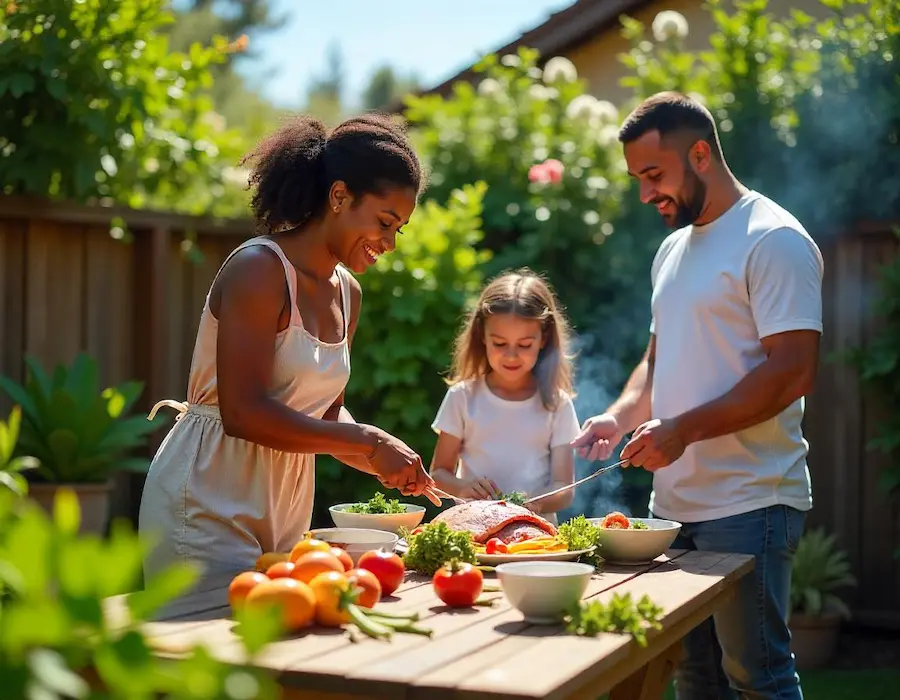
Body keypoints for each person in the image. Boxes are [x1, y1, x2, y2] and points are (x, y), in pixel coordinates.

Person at [572, 92, 823, 700]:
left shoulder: (774, 240)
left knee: (756, 679)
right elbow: (656, 364)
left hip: (751, 505)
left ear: (702, 154)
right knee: (695, 679)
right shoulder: (671, 250)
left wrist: (681, 430)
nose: (644, 194)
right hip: (674, 511)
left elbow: (792, 372)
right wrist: (619, 415)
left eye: (654, 175)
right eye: (637, 178)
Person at [139, 113, 439, 593]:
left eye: (398, 229)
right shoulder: (259, 269)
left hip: (284, 507)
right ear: (339, 196)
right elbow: (243, 413)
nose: (389, 243)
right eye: (385, 222)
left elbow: (326, 415)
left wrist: (385, 455)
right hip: (208, 500)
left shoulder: (347, 293)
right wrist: (366, 442)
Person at [429, 270, 581, 524]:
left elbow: (564, 488)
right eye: (499, 343)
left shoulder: (557, 403)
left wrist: (535, 502)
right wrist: (464, 488)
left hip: (535, 534)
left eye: (524, 345)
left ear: (543, 338)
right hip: (472, 529)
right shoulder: (462, 397)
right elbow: (439, 474)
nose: (511, 356)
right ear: (482, 337)